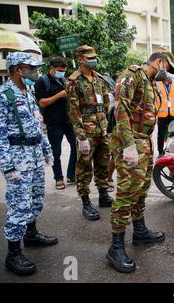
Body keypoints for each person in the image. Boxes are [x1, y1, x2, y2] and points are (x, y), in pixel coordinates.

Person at [106, 49, 174, 273]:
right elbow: (121, 110)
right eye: (167, 68)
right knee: (126, 193)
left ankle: (139, 231)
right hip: (131, 143)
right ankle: (115, 248)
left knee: (141, 190)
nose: (167, 73)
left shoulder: (148, 81)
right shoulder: (132, 75)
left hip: (144, 142)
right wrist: (128, 145)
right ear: (159, 62)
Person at [0, 52, 58, 276]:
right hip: (17, 158)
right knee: (19, 205)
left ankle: (31, 234)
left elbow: (36, 124)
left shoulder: (28, 91)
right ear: (16, 70)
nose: (34, 72)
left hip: (33, 154)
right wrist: (7, 166)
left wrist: (47, 151)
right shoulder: (3, 95)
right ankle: (12, 254)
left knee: (35, 198)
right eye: (29, 68)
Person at [66, 45, 113, 221]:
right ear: (80, 59)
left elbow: (106, 103)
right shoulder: (73, 81)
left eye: (94, 57)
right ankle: (86, 202)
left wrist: (106, 126)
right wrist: (81, 136)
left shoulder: (99, 79)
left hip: (102, 130)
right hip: (86, 132)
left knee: (103, 163)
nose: (93, 60)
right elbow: (73, 111)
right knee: (84, 167)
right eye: (89, 57)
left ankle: (103, 195)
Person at [34, 57, 77, 190]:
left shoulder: (64, 80)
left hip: (68, 121)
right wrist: (59, 95)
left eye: (64, 71)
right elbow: (41, 102)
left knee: (77, 147)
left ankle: (71, 174)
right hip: (54, 123)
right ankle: (58, 178)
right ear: (51, 68)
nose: (61, 73)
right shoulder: (42, 82)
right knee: (56, 152)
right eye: (59, 70)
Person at [156, 75, 174, 155]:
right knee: (161, 134)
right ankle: (160, 151)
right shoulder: (157, 83)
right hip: (162, 113)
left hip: (173, 112)